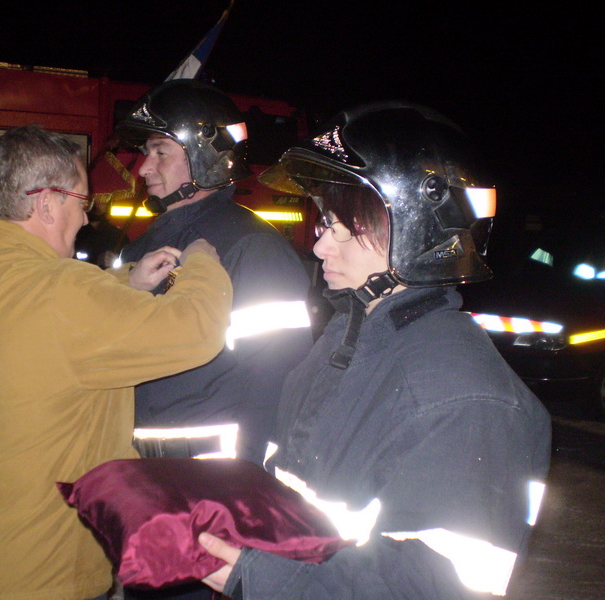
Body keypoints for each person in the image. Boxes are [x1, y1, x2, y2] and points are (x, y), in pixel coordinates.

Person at [197, 102, 552, 599]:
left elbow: (436, 588)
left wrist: (266, 578)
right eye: (324, 224)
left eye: (344, 227)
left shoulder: (465, 401)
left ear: (419, 232)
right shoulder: (345, 342)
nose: (321, 248)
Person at [0, 125, 233, 600]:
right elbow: (196, 331)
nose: (86, 219)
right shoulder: (61, 294)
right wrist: (202, 264)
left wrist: (128, 280)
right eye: (82, 202)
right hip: (38, 570)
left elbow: (52, 323)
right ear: (47, 203)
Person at [112, 79, 314, 467]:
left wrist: (248, 483)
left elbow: (279, 375)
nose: (143, 167)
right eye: (145, 152)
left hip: (211, 477)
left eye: (159, 152)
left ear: (204, 156)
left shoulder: (252, 247)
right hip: (137, 465)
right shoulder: (139, 247)